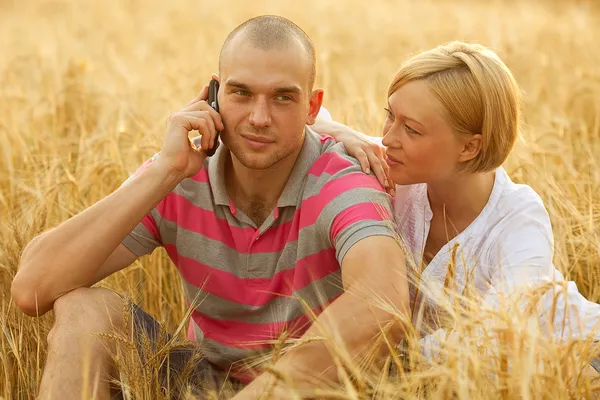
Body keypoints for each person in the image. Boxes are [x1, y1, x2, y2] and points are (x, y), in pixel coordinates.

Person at [11, 16, 411, 399]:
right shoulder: (178, 174)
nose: (259, 117)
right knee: (85, 311)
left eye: (282, 97)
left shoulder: (341, 180)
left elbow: (383, 304)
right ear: (214, 94)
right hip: (198, 382)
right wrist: (163, 173)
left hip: (309, 390)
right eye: (241, 93)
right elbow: (32, 288)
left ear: (312, 107)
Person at [311, 41, 600, 360]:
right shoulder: (394, 164)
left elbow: (498, 337)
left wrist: (391, 357)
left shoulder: (519, 219)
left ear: (469, 148)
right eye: (389, 115)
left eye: (411, 129)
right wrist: (341, 132)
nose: (390, 138)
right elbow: (308, 119)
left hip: (579, 359)